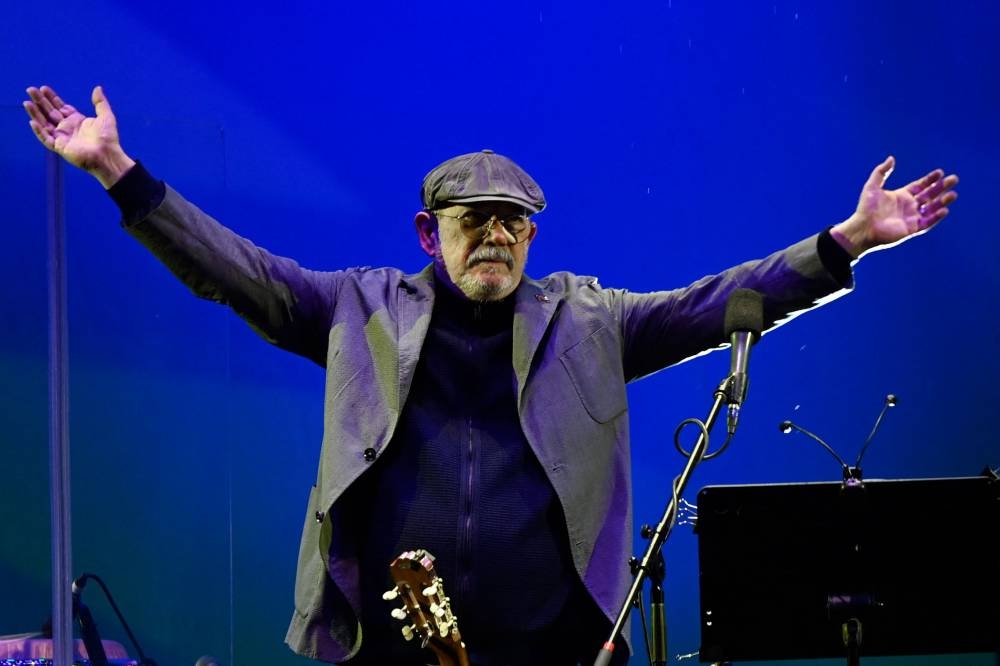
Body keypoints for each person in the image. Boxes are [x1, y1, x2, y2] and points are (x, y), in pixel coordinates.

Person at [23, 84, 958, 666]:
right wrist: (121, 176)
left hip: (549, 648)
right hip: (394, 645)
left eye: (513, 220)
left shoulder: (592, 321)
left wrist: (848, 243)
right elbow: (236, 270)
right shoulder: (358, 309)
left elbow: (724, 300)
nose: (497, 234)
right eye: (474, 219)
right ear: (429, 235)